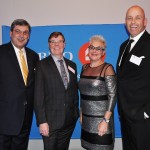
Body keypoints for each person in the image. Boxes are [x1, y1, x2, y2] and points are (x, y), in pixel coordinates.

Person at [34, 32, 79, 150]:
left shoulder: (72, 65)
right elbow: (38, 96)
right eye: (53, 42)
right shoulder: (41, 65)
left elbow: (74, 92)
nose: (56, 44)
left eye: (59, 41)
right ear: (49, 45)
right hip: (50, 122)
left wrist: (76, 114)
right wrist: (42, 121)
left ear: (64, 44)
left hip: (69, 121)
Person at [0, 19, 39, 150]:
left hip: (25, 119)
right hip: (4, 119)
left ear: (29, 36)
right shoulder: (1, 52)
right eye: (18, 31)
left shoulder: (33, 56)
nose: (21, 35)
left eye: (25, 32)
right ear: (11, 33)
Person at [117, 5, 150, 150]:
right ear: (125, 22)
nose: (133, 22)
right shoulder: (123, 46)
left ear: (145, 21)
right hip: (125, 115)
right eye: (129, 18)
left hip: (142, 118)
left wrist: (147, 112)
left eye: (138, 17)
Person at [78, 35, 117, 150]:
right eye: (92, 47)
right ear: (88, 50)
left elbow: (112, 96)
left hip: (102, 121)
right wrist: (81, 113)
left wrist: (105, 120)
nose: (94, 51)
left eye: (98, 48)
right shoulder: (84, 67)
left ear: (103, 52)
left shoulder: (107, 68)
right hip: (86, 120)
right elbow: (83, 94)